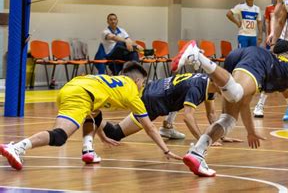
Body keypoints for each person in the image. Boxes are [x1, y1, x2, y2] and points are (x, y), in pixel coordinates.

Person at [171, 40, 288, 177]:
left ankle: (196, 153)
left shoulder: (270, 70)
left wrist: (250, 131)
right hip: (255, 58)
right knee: (236, 94)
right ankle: (199, 56)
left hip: (238, 56)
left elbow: (244, 103)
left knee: (228, 119)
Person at [0, 62, 181, 171]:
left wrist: (103, 136)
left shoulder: (111, 81)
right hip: (81, 95)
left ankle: (88, 151)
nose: (143, 86)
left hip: (72, 89)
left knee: (94, 114)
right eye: (143, 83)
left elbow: (96, 116)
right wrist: (166, 150)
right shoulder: (133, 94)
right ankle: (17, 147)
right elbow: (149, 127)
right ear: (138, 81)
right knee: (60, 136)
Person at [87, 73, 242, 159]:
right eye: (227, 85)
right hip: (153, 101)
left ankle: (167, 127)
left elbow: (211, 113)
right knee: (115, 133)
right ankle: (92, 118)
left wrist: (219, 135)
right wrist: (203, 140)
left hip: (158, 91)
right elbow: (188, 117)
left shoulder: (207, 84)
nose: (230, 89)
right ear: (217, 83)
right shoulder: (197, 88)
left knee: (179, 100)